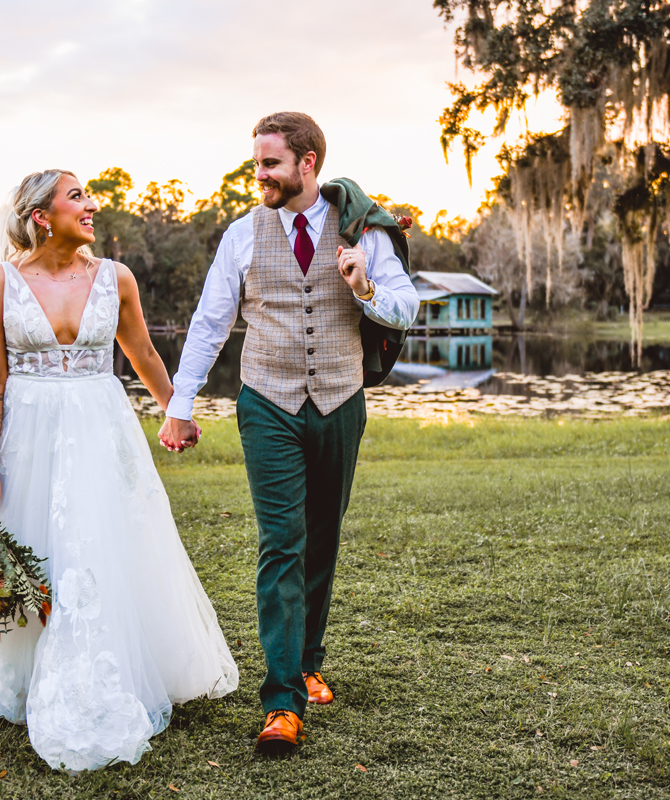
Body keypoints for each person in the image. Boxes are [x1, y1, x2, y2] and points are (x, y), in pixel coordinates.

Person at [0, 169, 238, 773]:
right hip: (29, 432)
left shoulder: (115, 277)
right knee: (33, 541)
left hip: (102, 427)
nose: (91, 206)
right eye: (77, 197)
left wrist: (175, 410)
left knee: (105, 542)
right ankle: (15, 667)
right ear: (41, 215)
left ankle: (113, 661)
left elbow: (143, 352)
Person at [158, 112, 419, 753]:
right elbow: (210, 322)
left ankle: (307, 661)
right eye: (256, 163)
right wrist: (180, 403)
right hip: (266, 404)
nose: (260, 174)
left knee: (321, 539)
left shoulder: (363, 232)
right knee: (282, 542)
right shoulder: (241, 236)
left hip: (340, 401)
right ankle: (282, 702)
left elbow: (406, 305)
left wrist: (363, 288)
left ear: (307, 164)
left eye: (270, 163)